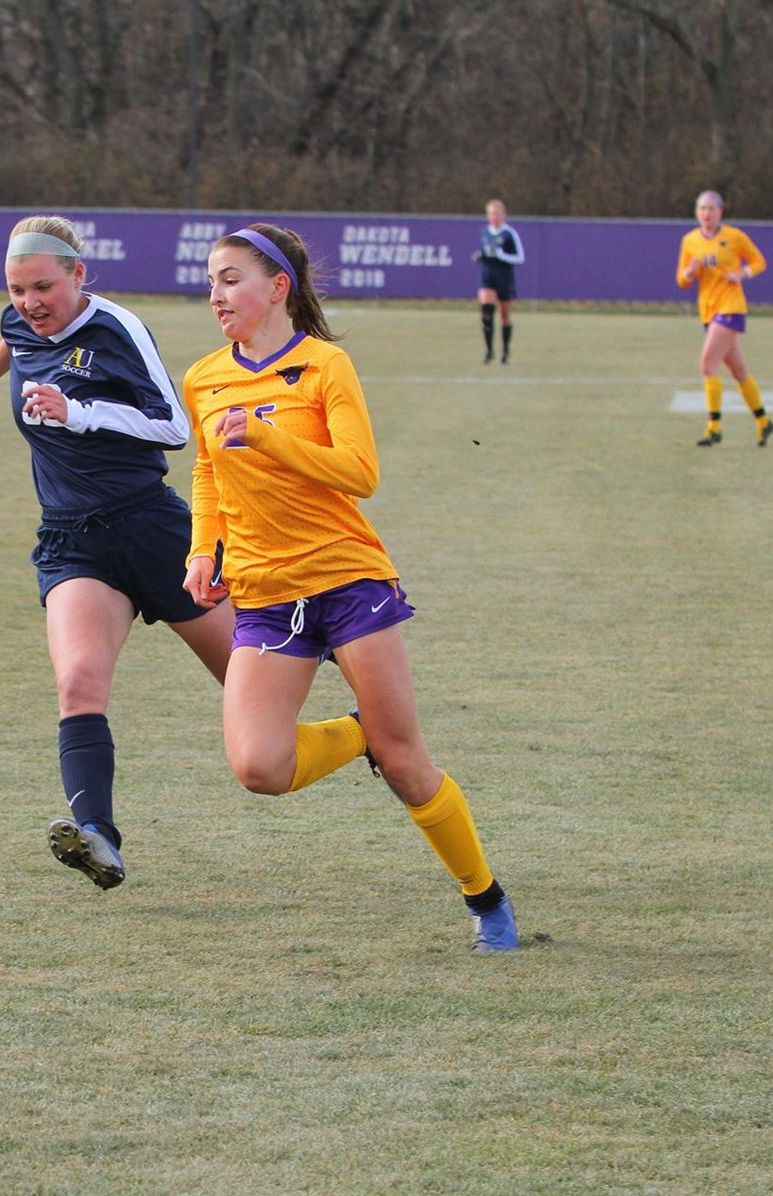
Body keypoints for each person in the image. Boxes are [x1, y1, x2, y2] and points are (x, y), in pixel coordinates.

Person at [179, 223, 522, 953]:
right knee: (259, 767)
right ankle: (361, 731)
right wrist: (201, 550)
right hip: (266, 592)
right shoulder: (204, 376)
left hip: (346, 578)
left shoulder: (325, 366)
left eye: (230, 279)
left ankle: (485, 899)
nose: (215, 295)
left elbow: (361, 473)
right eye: (210, 281)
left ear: (279, 288)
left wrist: (269, 436)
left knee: (406, 764)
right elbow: (207, 471)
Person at [0, 215, 257, 892]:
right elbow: (9, 340)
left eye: (43, 286)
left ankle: (359, 734)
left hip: (153, 532)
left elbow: (173, 427)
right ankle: (99, 834)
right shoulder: (21, 321)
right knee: (78, 683)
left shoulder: (117, 330)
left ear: (78, 275)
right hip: (72, 539)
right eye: (16, 289)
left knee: (254, 705)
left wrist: (78, 413)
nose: (29, 303)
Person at [676, 190, 773, 448]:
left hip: (731, 307)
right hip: (708, 310)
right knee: (739, 371)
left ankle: (714, 427)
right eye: (702, 209)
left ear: (720, 212)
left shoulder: (733, 236)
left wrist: (742, 273)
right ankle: (764, 421)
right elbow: (682, 280)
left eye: (711, 209)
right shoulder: (689, 241)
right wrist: (689, 273)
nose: (706, 214)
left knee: (708, 363)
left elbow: (759, 262)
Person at [474, 198, 525, 364]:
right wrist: (480, 256)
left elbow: (520, 258)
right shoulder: (485, 232)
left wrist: (502, 255)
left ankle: (505, 352)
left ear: (503, 215)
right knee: (486, 312)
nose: (495, 217)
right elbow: (485, 251)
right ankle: (489, 351)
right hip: (488, 275)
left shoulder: (509, 233)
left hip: (504, 276)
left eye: (498, 214)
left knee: (504, 315)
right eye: (491, 214)